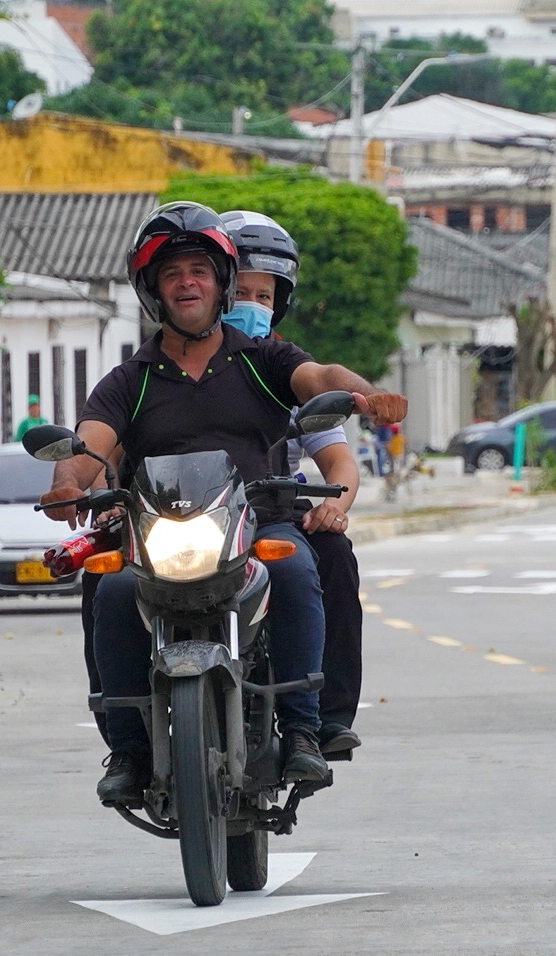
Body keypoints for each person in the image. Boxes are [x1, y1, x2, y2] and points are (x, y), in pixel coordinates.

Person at [42, 201, 404, 806]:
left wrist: (366, 396)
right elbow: (91, 443)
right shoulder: (130, 379)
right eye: (173, 272)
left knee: (293, 568)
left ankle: (305, 729)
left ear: (221, 282)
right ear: (154, 289)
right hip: (158, 532)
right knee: (110, 588)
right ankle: (128, 750)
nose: (188, 282)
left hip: (257, 522)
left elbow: (320, 378)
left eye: (200, 270)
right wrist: (67, 482)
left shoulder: (263, 361)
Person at [220, 208, 365, 754]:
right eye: (242, 293)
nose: (252, 307)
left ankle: (321, 721)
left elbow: (340, 465)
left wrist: (336, 506)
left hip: (269, 518)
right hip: (187, 525)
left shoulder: (286, 369)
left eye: (265, 296)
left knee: (329, 555)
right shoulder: (164, 365)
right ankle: (132, 736)